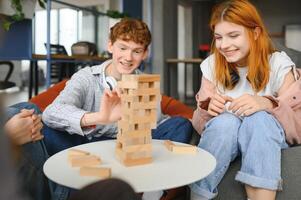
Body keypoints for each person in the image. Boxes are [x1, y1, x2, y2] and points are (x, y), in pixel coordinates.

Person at [190, 0, 298, 199]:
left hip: (263, 134)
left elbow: (296, 126)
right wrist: (206, 108)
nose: (225, 45)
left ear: (255, 33)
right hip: (223, 135)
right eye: (219, 37)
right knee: (226, 122)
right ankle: (198, 196)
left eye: (234, 35)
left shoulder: (279, 64)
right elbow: (198, 125)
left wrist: (268, 103)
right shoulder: (212, 66)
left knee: (258, 119)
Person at [42, 18, 192, 156]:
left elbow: (156, 126)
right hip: (90, 145)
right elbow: (51, 112)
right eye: (123, 48)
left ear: (145, 53)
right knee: (49, 129)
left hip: (131, 147)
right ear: (110, 46)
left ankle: (145, 174)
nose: (128, 57)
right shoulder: (86, 77)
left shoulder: (146, 82)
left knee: (181, 124)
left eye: (137, 51)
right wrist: (100, 118)